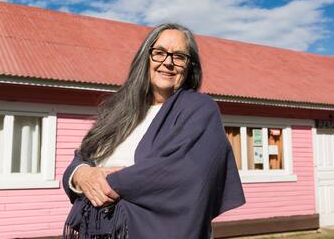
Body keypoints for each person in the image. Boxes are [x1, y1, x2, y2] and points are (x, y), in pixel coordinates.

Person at [62, 23, 245, 239]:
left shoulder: (199, 109)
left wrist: (104, 183)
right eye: (159, 53)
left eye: (179, 56)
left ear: (189, 67)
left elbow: (184, 174)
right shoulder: (118, 110)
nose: (168, 62)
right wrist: (80, 175)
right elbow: (81, 158)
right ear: (145, 58)